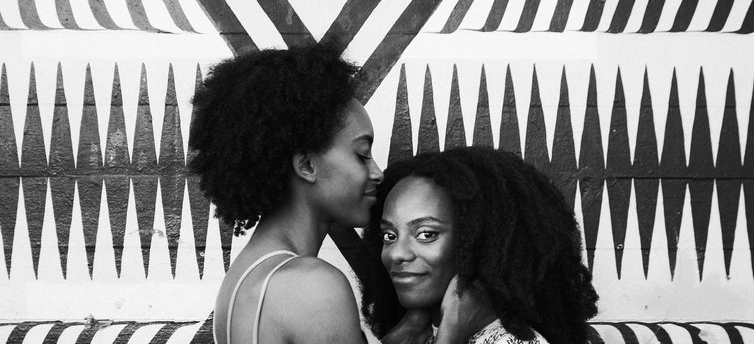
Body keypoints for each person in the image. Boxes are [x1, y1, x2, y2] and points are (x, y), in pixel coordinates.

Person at [188, 42, 484, 344]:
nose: (377, 173)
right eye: (362, 154)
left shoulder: (246, 274)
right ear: (306, 165)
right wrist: (452, 333)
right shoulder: (313, 286)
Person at [360, 147, 599, 344]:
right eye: (389, 235)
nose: (397, 253)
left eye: (426, 234)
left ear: (475, 242)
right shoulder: (417, 335)